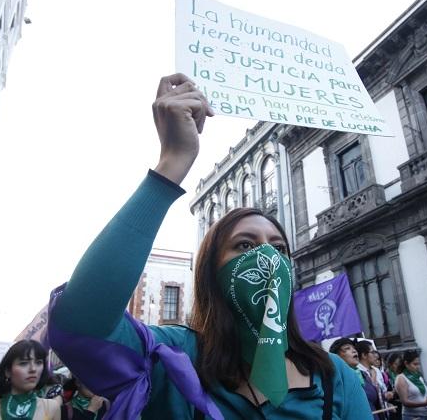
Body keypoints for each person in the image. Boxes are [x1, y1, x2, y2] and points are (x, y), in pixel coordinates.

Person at [47, 73, 372, 420]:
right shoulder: (174, 359)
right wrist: (173, 162)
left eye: (278, 249)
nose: (266, 258)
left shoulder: (333, 375)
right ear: (211, 272)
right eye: (244, 245)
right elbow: (81, 325)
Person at [0, 340, 61, 420]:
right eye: (23, 363)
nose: (33, 369)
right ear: (8, 371)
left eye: (38, 362)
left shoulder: (52, 408)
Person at [395, 350, 427, 420]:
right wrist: (423, 403)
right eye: (415, 364)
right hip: (412, 416)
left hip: (426, 413)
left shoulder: (418, 376)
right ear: (406, 363)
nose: (418, 367)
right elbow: (405, 402)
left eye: (418, 364)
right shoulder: (401, 378)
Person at [356, 340, 387, 419]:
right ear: (364, 355)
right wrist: (373, 380)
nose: (376, 356)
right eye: (372, 352)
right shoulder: (357, 373)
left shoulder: (375, 370)